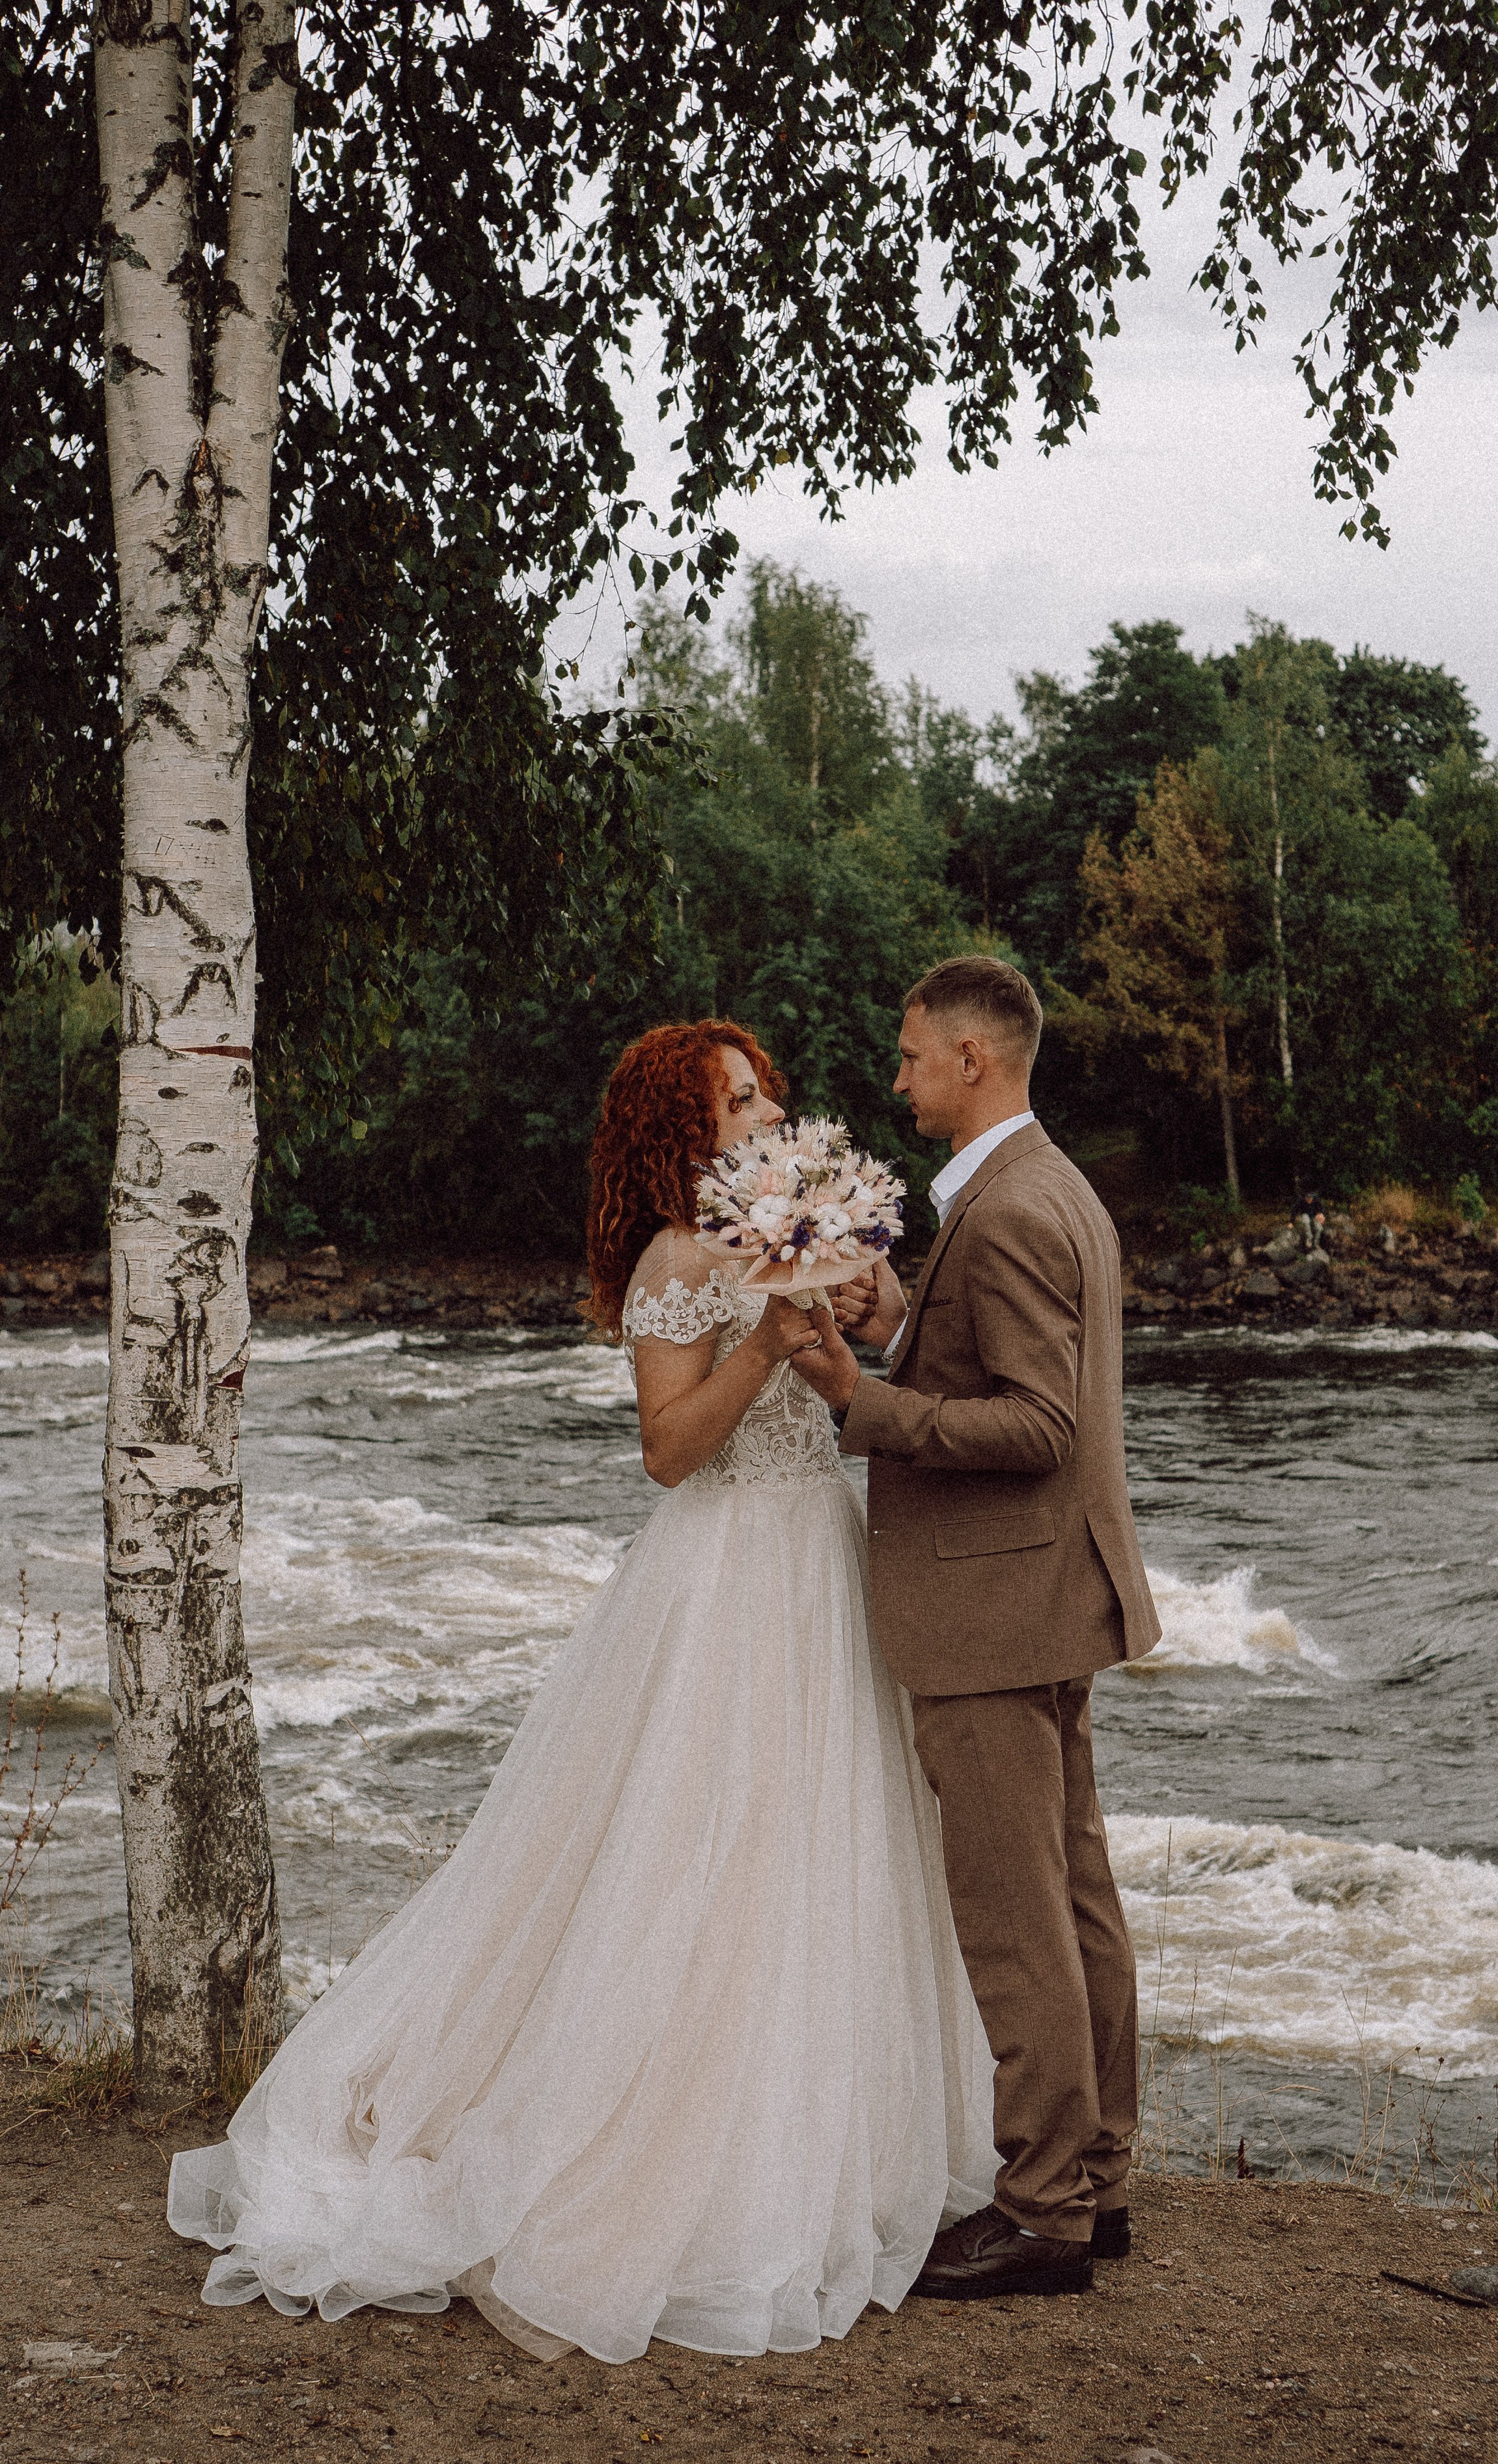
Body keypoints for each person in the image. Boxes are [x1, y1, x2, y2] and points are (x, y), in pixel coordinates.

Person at [169, 1019, 997, 2364]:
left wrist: (864, 1305)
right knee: (695, 1855)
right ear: (678, 1131)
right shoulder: (677, 1262)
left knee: (828, 1848)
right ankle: (648, 2148)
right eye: (732, 1100)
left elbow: (889, 1357)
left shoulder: (807, 1227)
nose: (759, 1112)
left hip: (825, 1567)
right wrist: (767, 1342)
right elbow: (668, 1451)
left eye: (761, 1093)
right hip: (722, 1572)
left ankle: (817, 2131)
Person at [790, 957, 1163, 2301]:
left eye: (906, 1057)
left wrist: (858, 1401)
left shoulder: (1004, 1212)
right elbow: (1007, 1367)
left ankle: (1043, 2210)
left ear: (971, 1059)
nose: (894, 1080)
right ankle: (1096, 2181)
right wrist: (899, 1325)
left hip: (993, 1604)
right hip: (1046, 1589)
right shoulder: (1043, 1185)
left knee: (1016, 1918)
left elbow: (1037, 1425)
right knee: (1074, 1901)